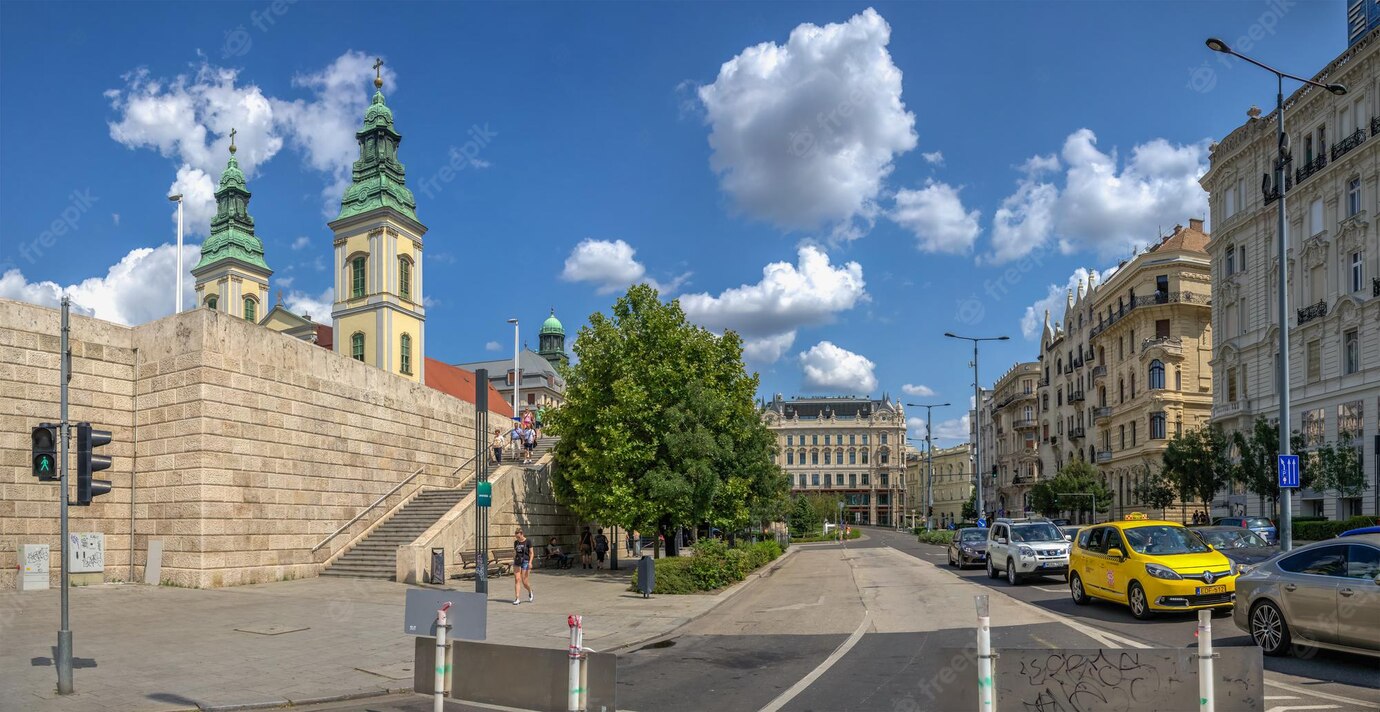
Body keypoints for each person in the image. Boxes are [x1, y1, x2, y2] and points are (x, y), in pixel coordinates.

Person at [512, 529, 534, 605]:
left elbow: (531, 553)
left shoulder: (528, 541)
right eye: (516, 537)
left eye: (518, 537)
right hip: (517, 562)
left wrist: (530, 562)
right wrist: (513, 559)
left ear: (522, 534)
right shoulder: (516, 542)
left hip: (525, 562)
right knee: (517, 579)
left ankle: (530, 590)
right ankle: (517, 598)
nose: (517, 538)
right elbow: (515, 552)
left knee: (524, 582)